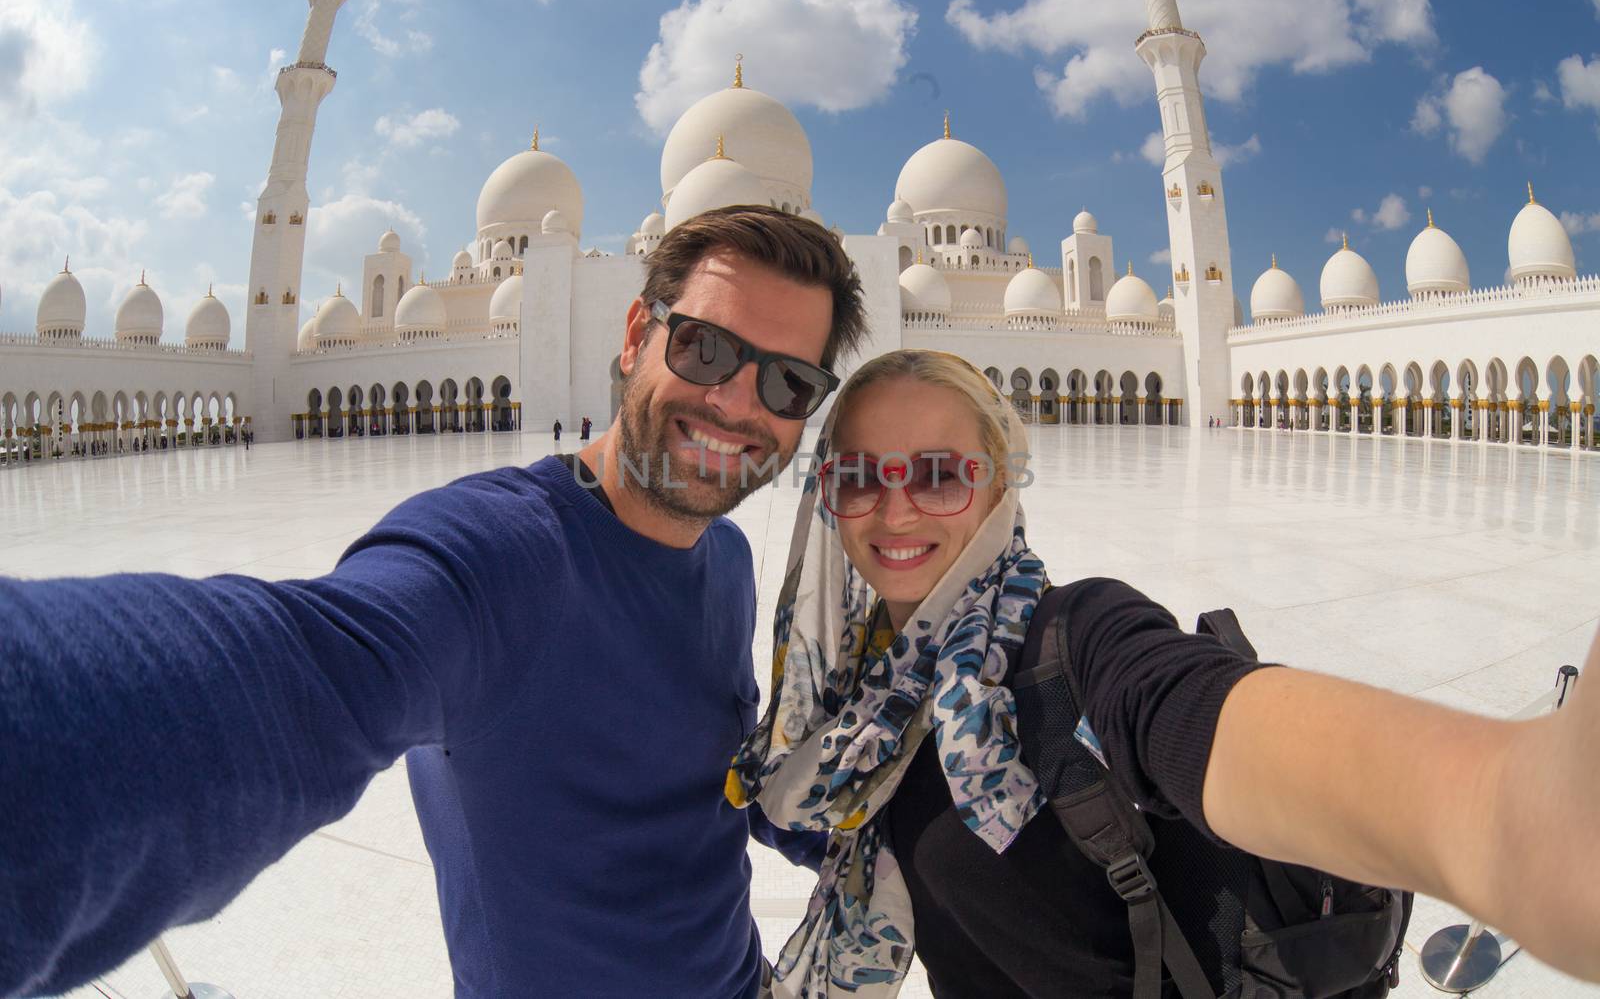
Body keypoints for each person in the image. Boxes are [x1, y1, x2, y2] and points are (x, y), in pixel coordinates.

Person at [0, 206, 868, 999]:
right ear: (638, 333)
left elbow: (723, 778)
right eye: (707, 349)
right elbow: (291, 676)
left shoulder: (724, 559)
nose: (736, 401)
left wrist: (876, 827)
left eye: (788, 383)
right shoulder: (501, 557)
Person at [728, 349, 1600, 997]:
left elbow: (1192, 708)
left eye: (939, 474)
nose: (896, 508)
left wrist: (1499, 814)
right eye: (858, 477)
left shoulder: (1079, 634)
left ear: (999, 488)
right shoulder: (851, 705)